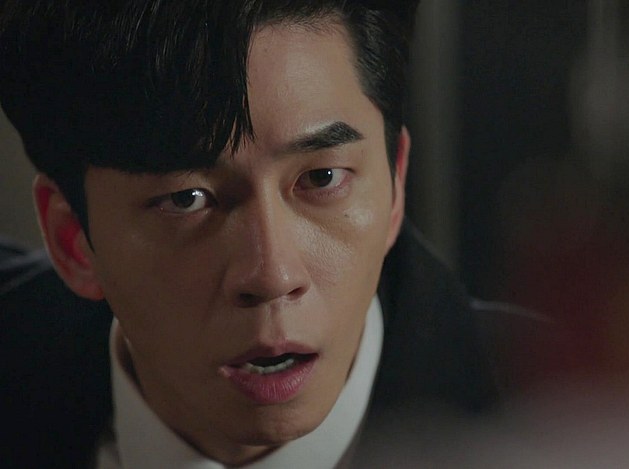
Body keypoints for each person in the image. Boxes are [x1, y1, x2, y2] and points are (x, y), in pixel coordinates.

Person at [0, 2, 546, 467]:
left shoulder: (562, 416)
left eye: (322, 178)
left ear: (395, 181)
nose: (272, 275)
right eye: (186, 200)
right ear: (73, 239)